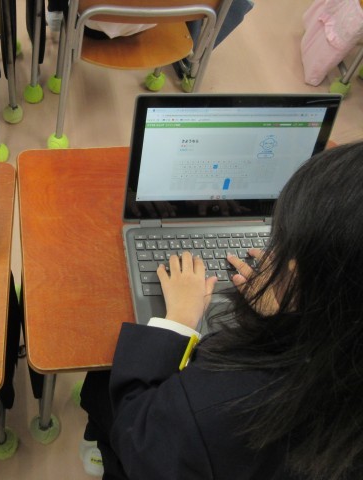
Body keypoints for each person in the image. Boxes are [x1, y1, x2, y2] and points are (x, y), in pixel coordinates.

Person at [80, 142, 363, 479]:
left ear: (299, 274)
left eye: (283, 239)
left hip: (154, 450)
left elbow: (141, 436)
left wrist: (179, 321)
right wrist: (288, 310)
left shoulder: (222, 402)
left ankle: (99, 446)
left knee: (103, 377)